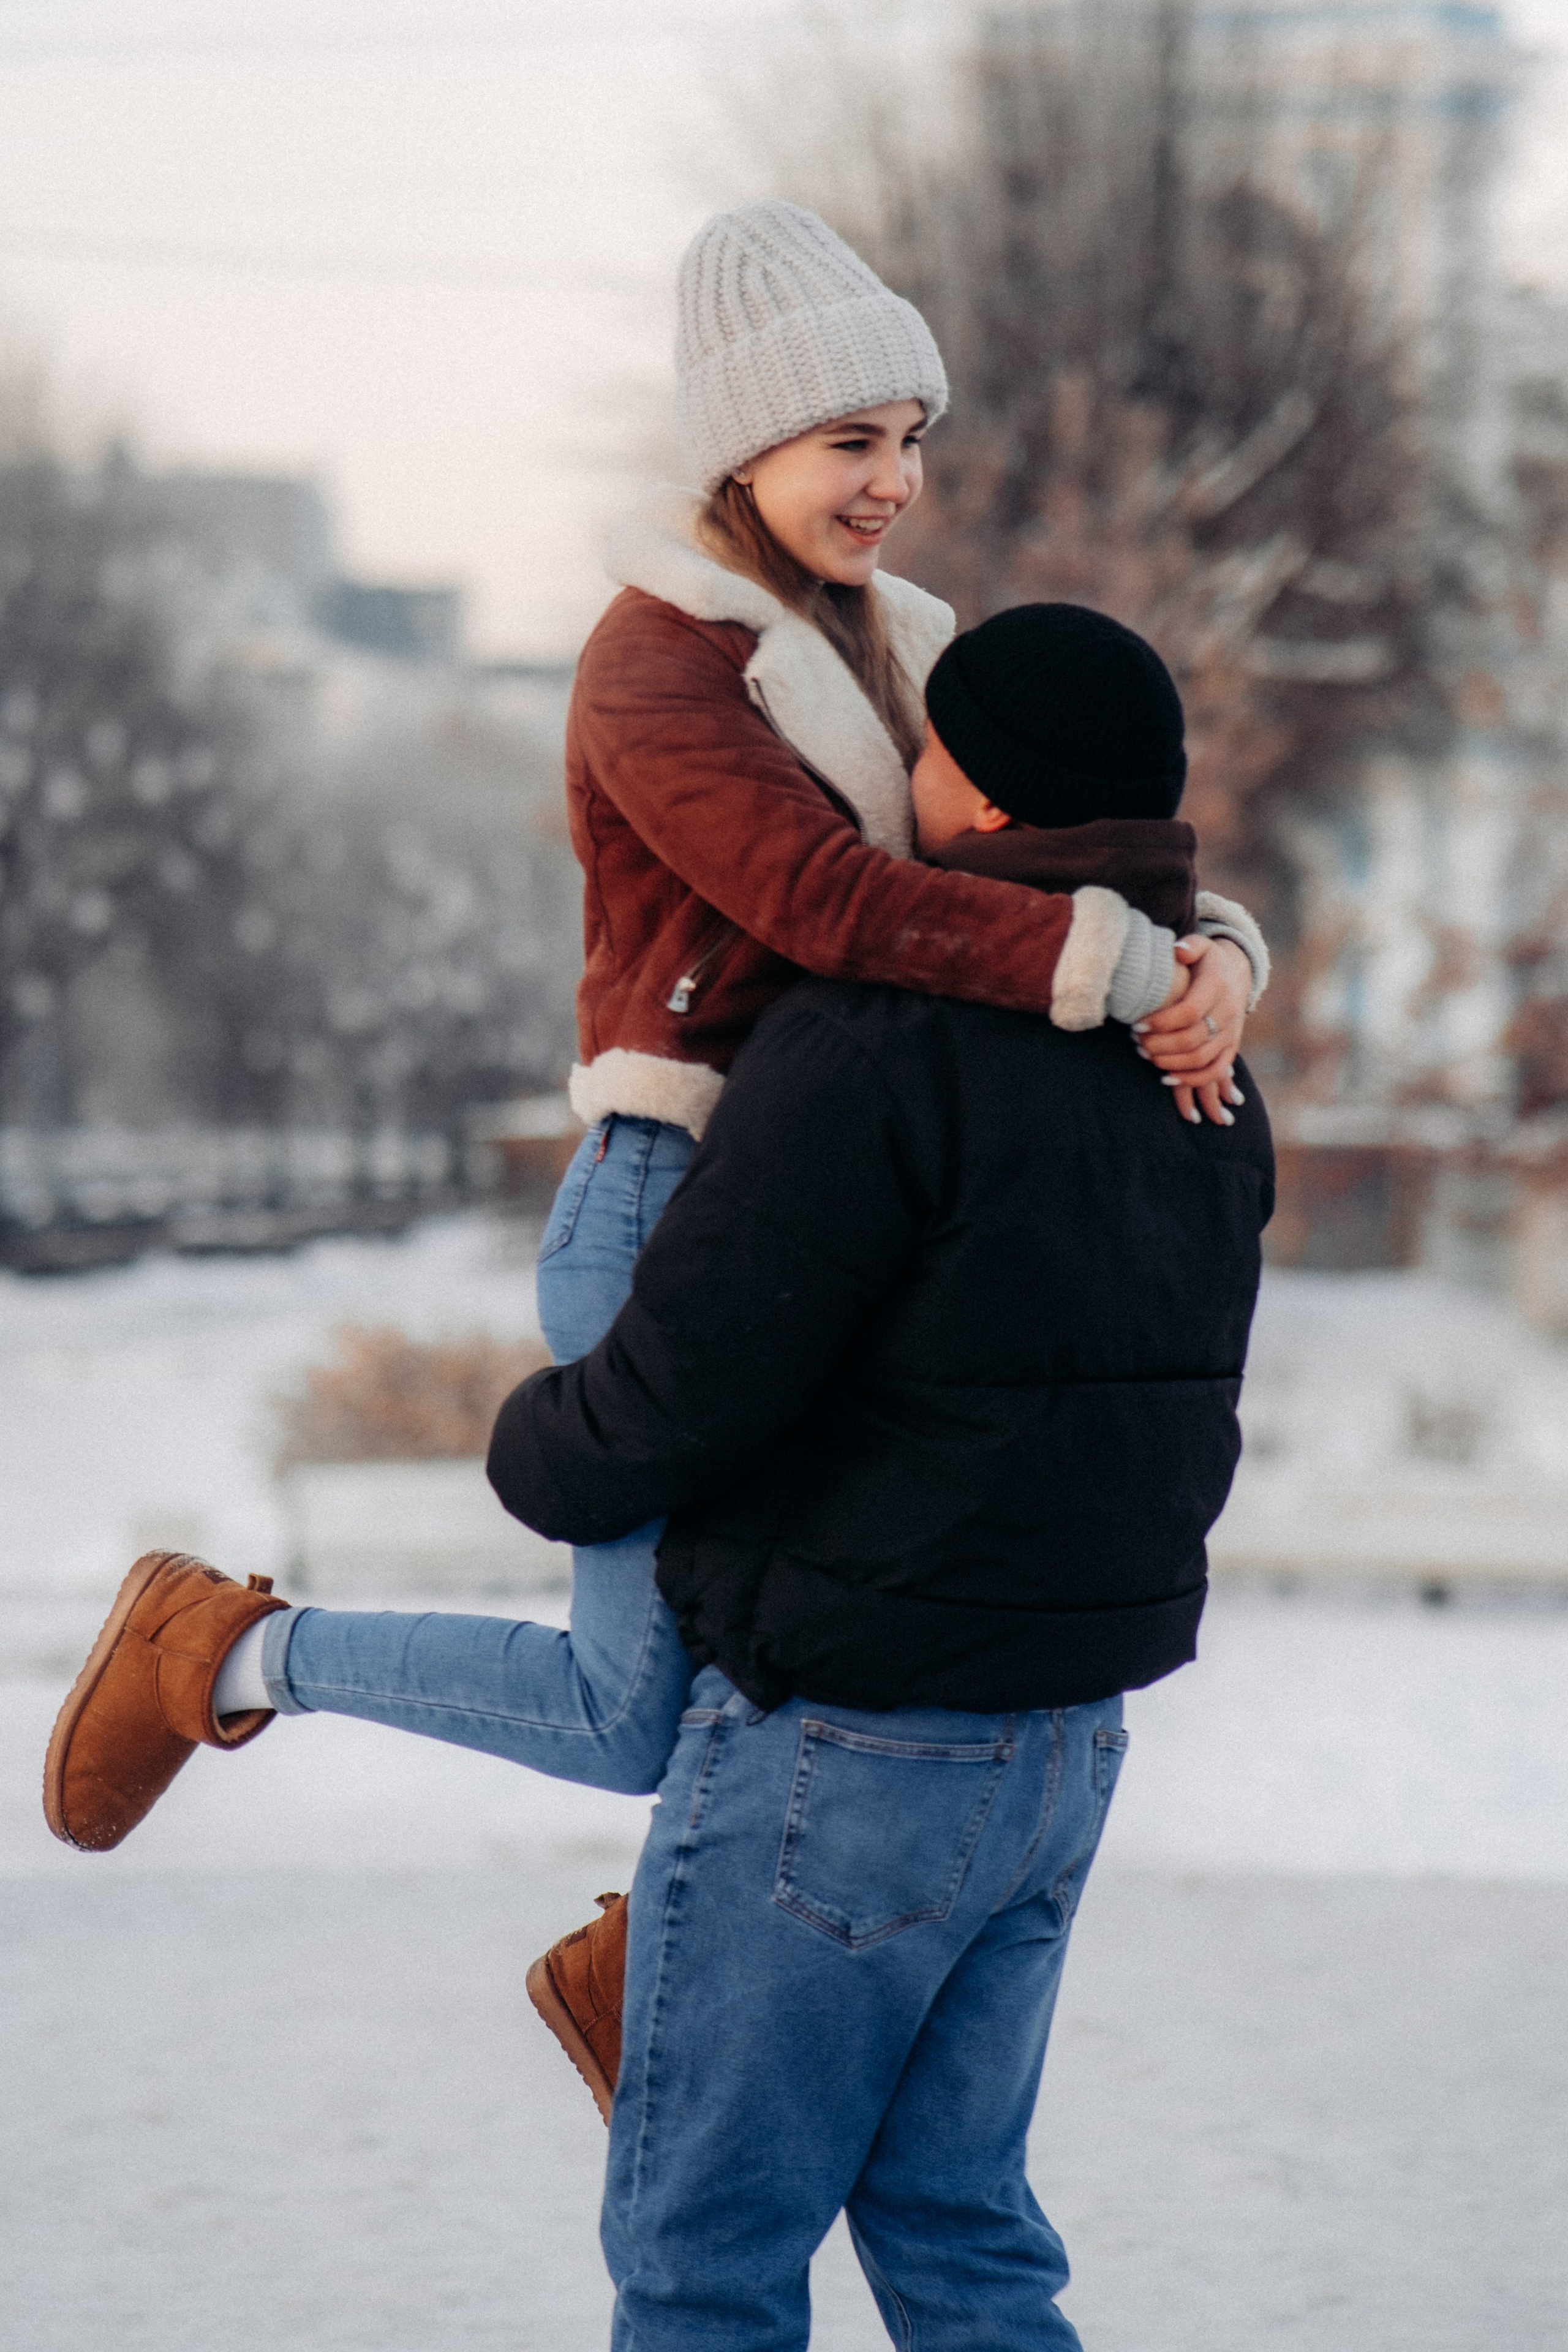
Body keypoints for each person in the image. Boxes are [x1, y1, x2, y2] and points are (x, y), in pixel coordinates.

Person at [43, 209, 1262, 1876]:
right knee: (626, 1709)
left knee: (795, 1634)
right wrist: (1118, 964)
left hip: (856, 1200)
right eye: (851, 442)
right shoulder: (653, 660)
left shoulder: (907, 635)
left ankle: (669, 1961)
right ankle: (226, 1652)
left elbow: (1036, 838)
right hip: (678, 1186)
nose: (894, 481)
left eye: (910, 438)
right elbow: (824, 899)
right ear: (745, 446)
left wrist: (1215, 955)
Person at [477, 598, 1275, 2349]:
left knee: (705, 2256)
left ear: (980, 797)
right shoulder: (1202, 1063)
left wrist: (529, 1445)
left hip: (847, 1751)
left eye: (924, 747)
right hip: (1064, 1744)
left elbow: (683, 1389)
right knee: (960, 2230)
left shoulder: (876, 1046)